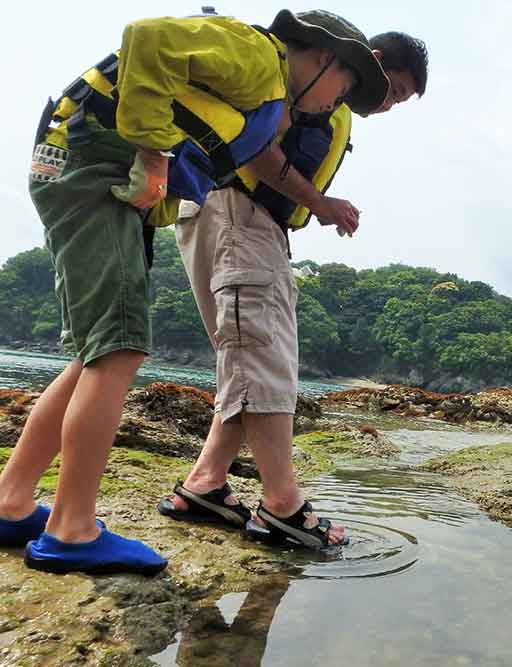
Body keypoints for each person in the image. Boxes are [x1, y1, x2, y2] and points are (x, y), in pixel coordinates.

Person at [0, 8, 379, 575]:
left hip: (90, 169)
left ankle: (9, 501)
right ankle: (71, 531)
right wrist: (148, 152)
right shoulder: (258, 57)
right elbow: (146, 37)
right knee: (119, 349)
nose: (340, 101)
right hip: (95, 163)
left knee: (94, 355)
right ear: (321, 58)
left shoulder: (263, 89)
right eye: (348, 84)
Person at [156, 16, 428, 549]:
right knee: (263, 357)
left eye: (400, 100)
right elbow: (257, 148)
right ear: (366, 63)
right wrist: (321, 203)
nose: (389, 105)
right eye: (393, 90)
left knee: (250, 357)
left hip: (249, 222)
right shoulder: (304, 80)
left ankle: (205, 483)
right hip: (238, 211)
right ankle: (282, 505)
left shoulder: (331, 100)